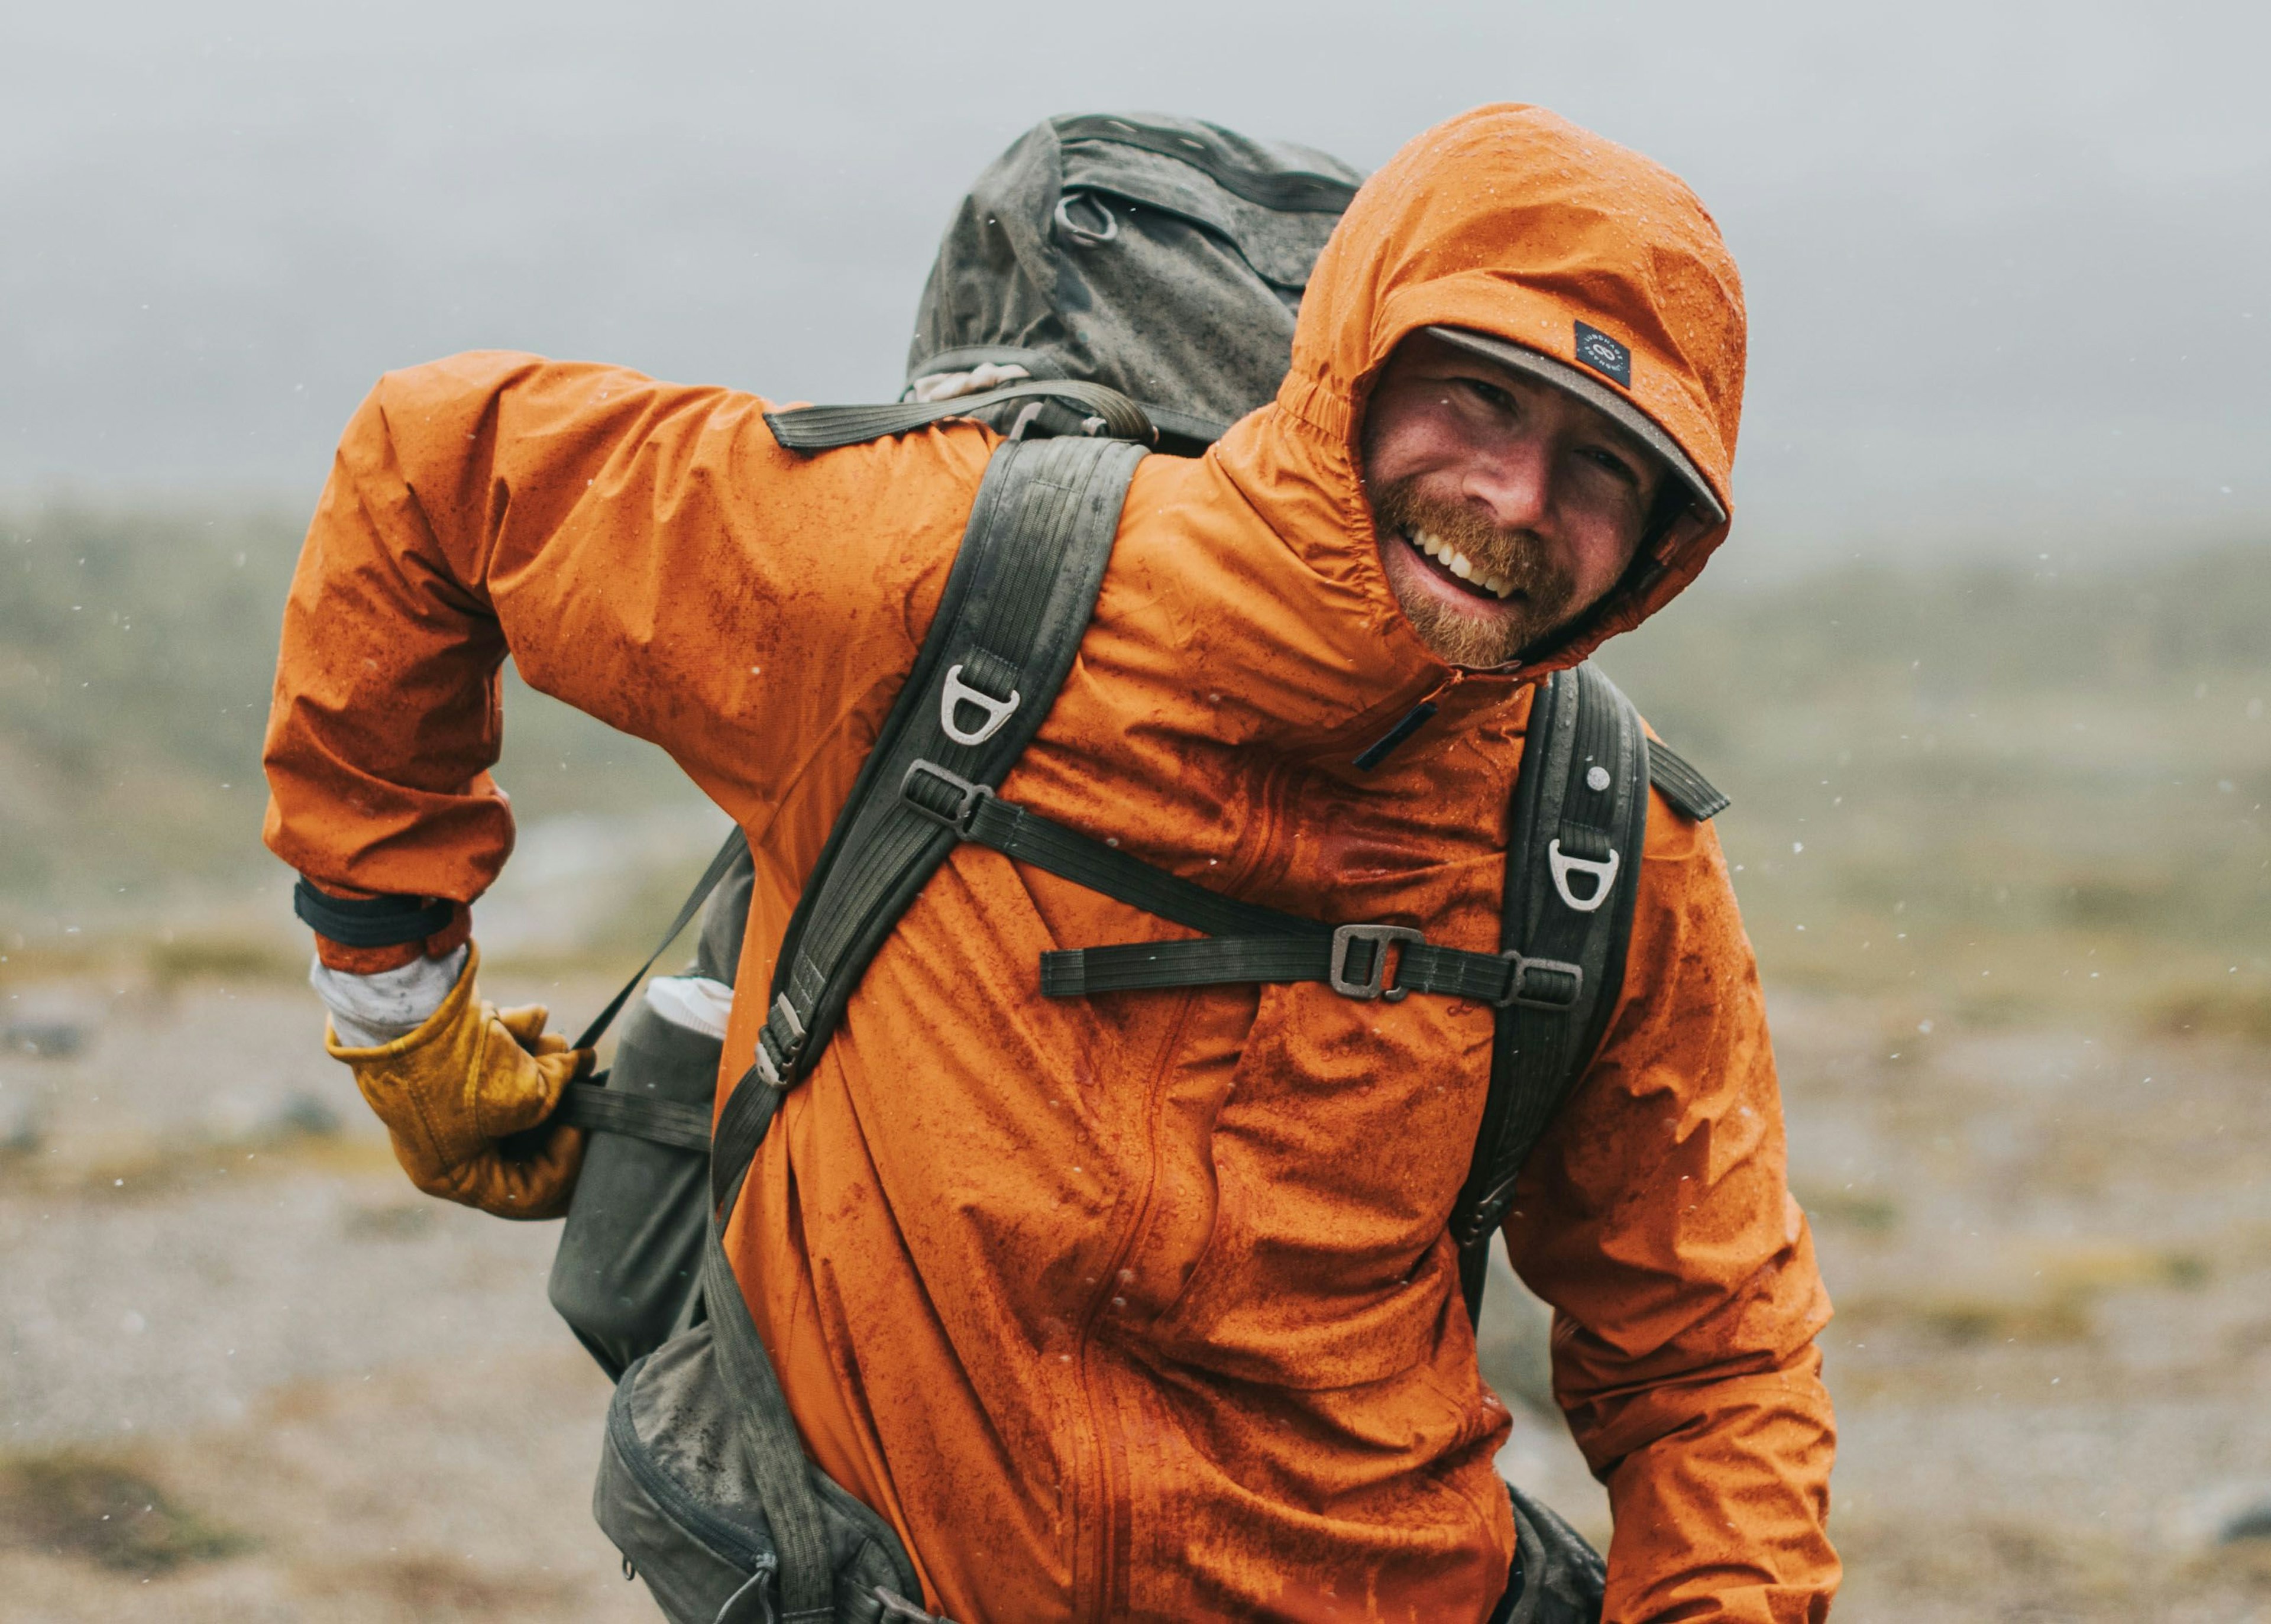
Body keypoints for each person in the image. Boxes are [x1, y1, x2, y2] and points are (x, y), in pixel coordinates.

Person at [263, 103, 1837, 1622]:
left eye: (1607, 465)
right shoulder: (926, 578)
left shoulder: (1601, 836)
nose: (1516, 499)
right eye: (1480, 396)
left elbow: (1713, 1361)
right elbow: (438, 468)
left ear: (1664, 539)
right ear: (1352, 362)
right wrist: (399, 1000)